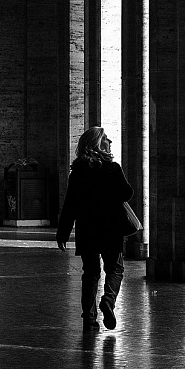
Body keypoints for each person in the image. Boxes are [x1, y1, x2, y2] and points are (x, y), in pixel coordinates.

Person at [56, 127, 134, 332]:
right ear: (98, 144)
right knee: (115, 269)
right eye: (106, 139)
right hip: (111, 228)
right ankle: (108, 300)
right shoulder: (113, 168)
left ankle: (89, 319)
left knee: (90, 273)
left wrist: (62, 232)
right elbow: (127, 193)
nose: (110, 142)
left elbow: (70, 205)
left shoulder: (78, 172)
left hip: (87, 230)